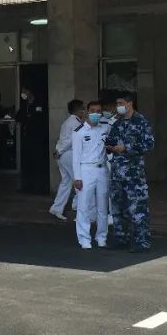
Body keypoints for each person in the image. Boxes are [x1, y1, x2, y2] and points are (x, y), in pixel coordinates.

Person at [106, 93, 155, 252]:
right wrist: (110, 146)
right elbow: (110, 140)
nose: (118, 106)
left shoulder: (141, 122)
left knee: (138, 209)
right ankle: (122, 238)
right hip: (117, 173)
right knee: (118, 208)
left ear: (129, 103)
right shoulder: (117, 123)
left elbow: (149, 144)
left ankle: (142, 242)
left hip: (134, 174)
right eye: (117, 103)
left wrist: (126, 148)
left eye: (121, 103)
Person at [71, 103, 111, 249]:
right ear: (87, 112)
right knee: (84, 206)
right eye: (93, 111)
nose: (96, 114)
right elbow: (76, 156)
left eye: (98, 111)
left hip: (102, 170)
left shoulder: (105, 128)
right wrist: (77, 177)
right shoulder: (79, 132)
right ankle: (84, 238)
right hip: (85, 169)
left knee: (102, 206)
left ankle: (101, 237)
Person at [49, 100, 85, 221]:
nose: (84, 111)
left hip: (63, 155)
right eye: (83, 109)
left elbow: (64, 139)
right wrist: (60, 151)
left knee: (66, 182)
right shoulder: (75, 123)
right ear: (78, 110)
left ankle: (57, 208)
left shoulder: (68, 121)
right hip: (69, 154)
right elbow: (71, 140)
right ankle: (78, 209)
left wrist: (59, 151)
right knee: (79, 182)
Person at [14, 86, 41, 193]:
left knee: (36, 163)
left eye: (24, 91)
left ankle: (37, 187)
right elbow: (18, 117)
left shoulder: (38, 104)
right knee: (26, 162)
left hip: (36, 138)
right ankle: (26, 186)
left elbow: (38, 119)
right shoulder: (24, 105)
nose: (23, 93)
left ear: (30, 91)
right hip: (26, 138)